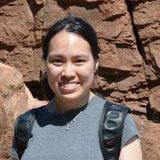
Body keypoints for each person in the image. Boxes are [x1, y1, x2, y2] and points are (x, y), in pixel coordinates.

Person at [10, 14, 143, 160]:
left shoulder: (117, 124)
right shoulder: (26, 124)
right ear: (45, 64)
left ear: (96, 62)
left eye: (79, 61)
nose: (68, 73)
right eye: (57, 61)